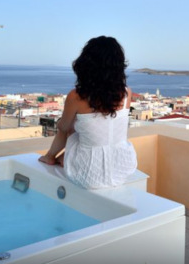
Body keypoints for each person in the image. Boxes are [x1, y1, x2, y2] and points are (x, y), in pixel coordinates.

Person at [39, 36, 137, 189]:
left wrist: (61, 123)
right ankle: (63, 157)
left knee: (69, 128)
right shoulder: (126, 93)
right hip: (121, 167)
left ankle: (50, 157)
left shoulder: (77, 96)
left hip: (89, 173)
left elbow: (64, 128)